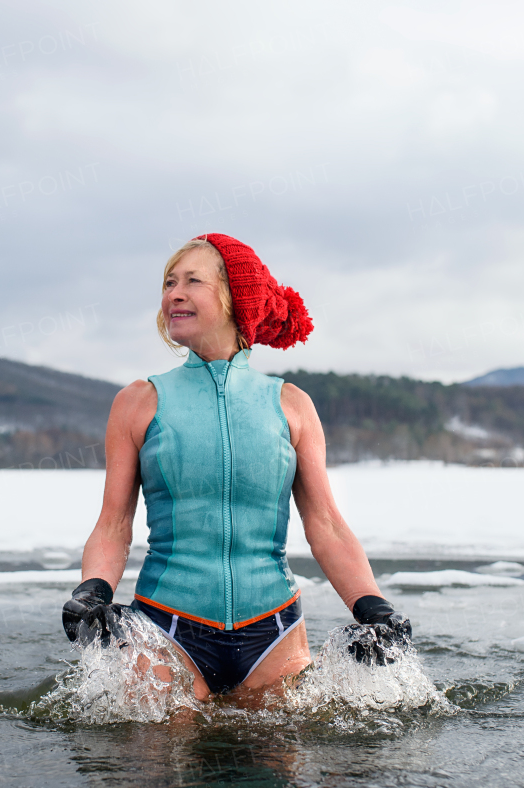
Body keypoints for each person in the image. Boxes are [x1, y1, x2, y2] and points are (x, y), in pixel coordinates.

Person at [63, 233, 410, 701]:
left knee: (275, 758)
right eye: (169, 283)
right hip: (165, 627)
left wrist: (374, 607)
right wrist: (93, 592)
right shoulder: (138, 403)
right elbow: (114, 523)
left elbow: (326, 524)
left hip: (275, 632)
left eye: (192, 281)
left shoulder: (291, 405)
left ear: (233, 299)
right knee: (162, 756)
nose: (174, 293)